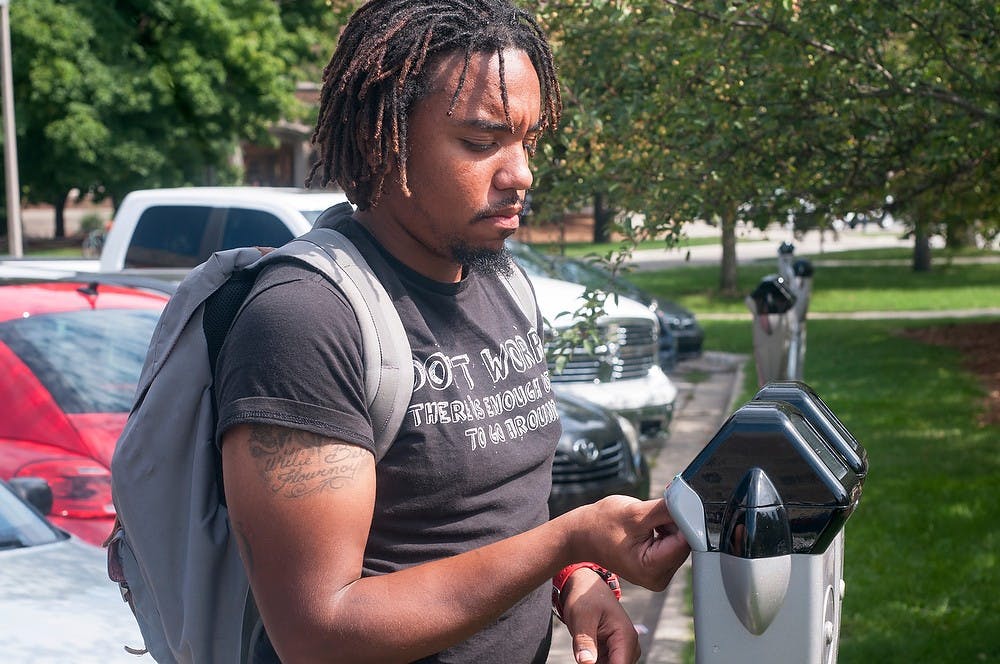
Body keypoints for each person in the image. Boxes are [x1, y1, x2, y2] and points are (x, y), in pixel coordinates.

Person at [215, 1, 691, 662]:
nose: (521, 173)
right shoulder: (304, 320)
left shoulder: (500, 280)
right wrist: (570, 541)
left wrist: (575, 580)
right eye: (481, 141)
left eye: (529, 140)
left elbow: (498, 511)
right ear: (388, 140)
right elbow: (317, 632)